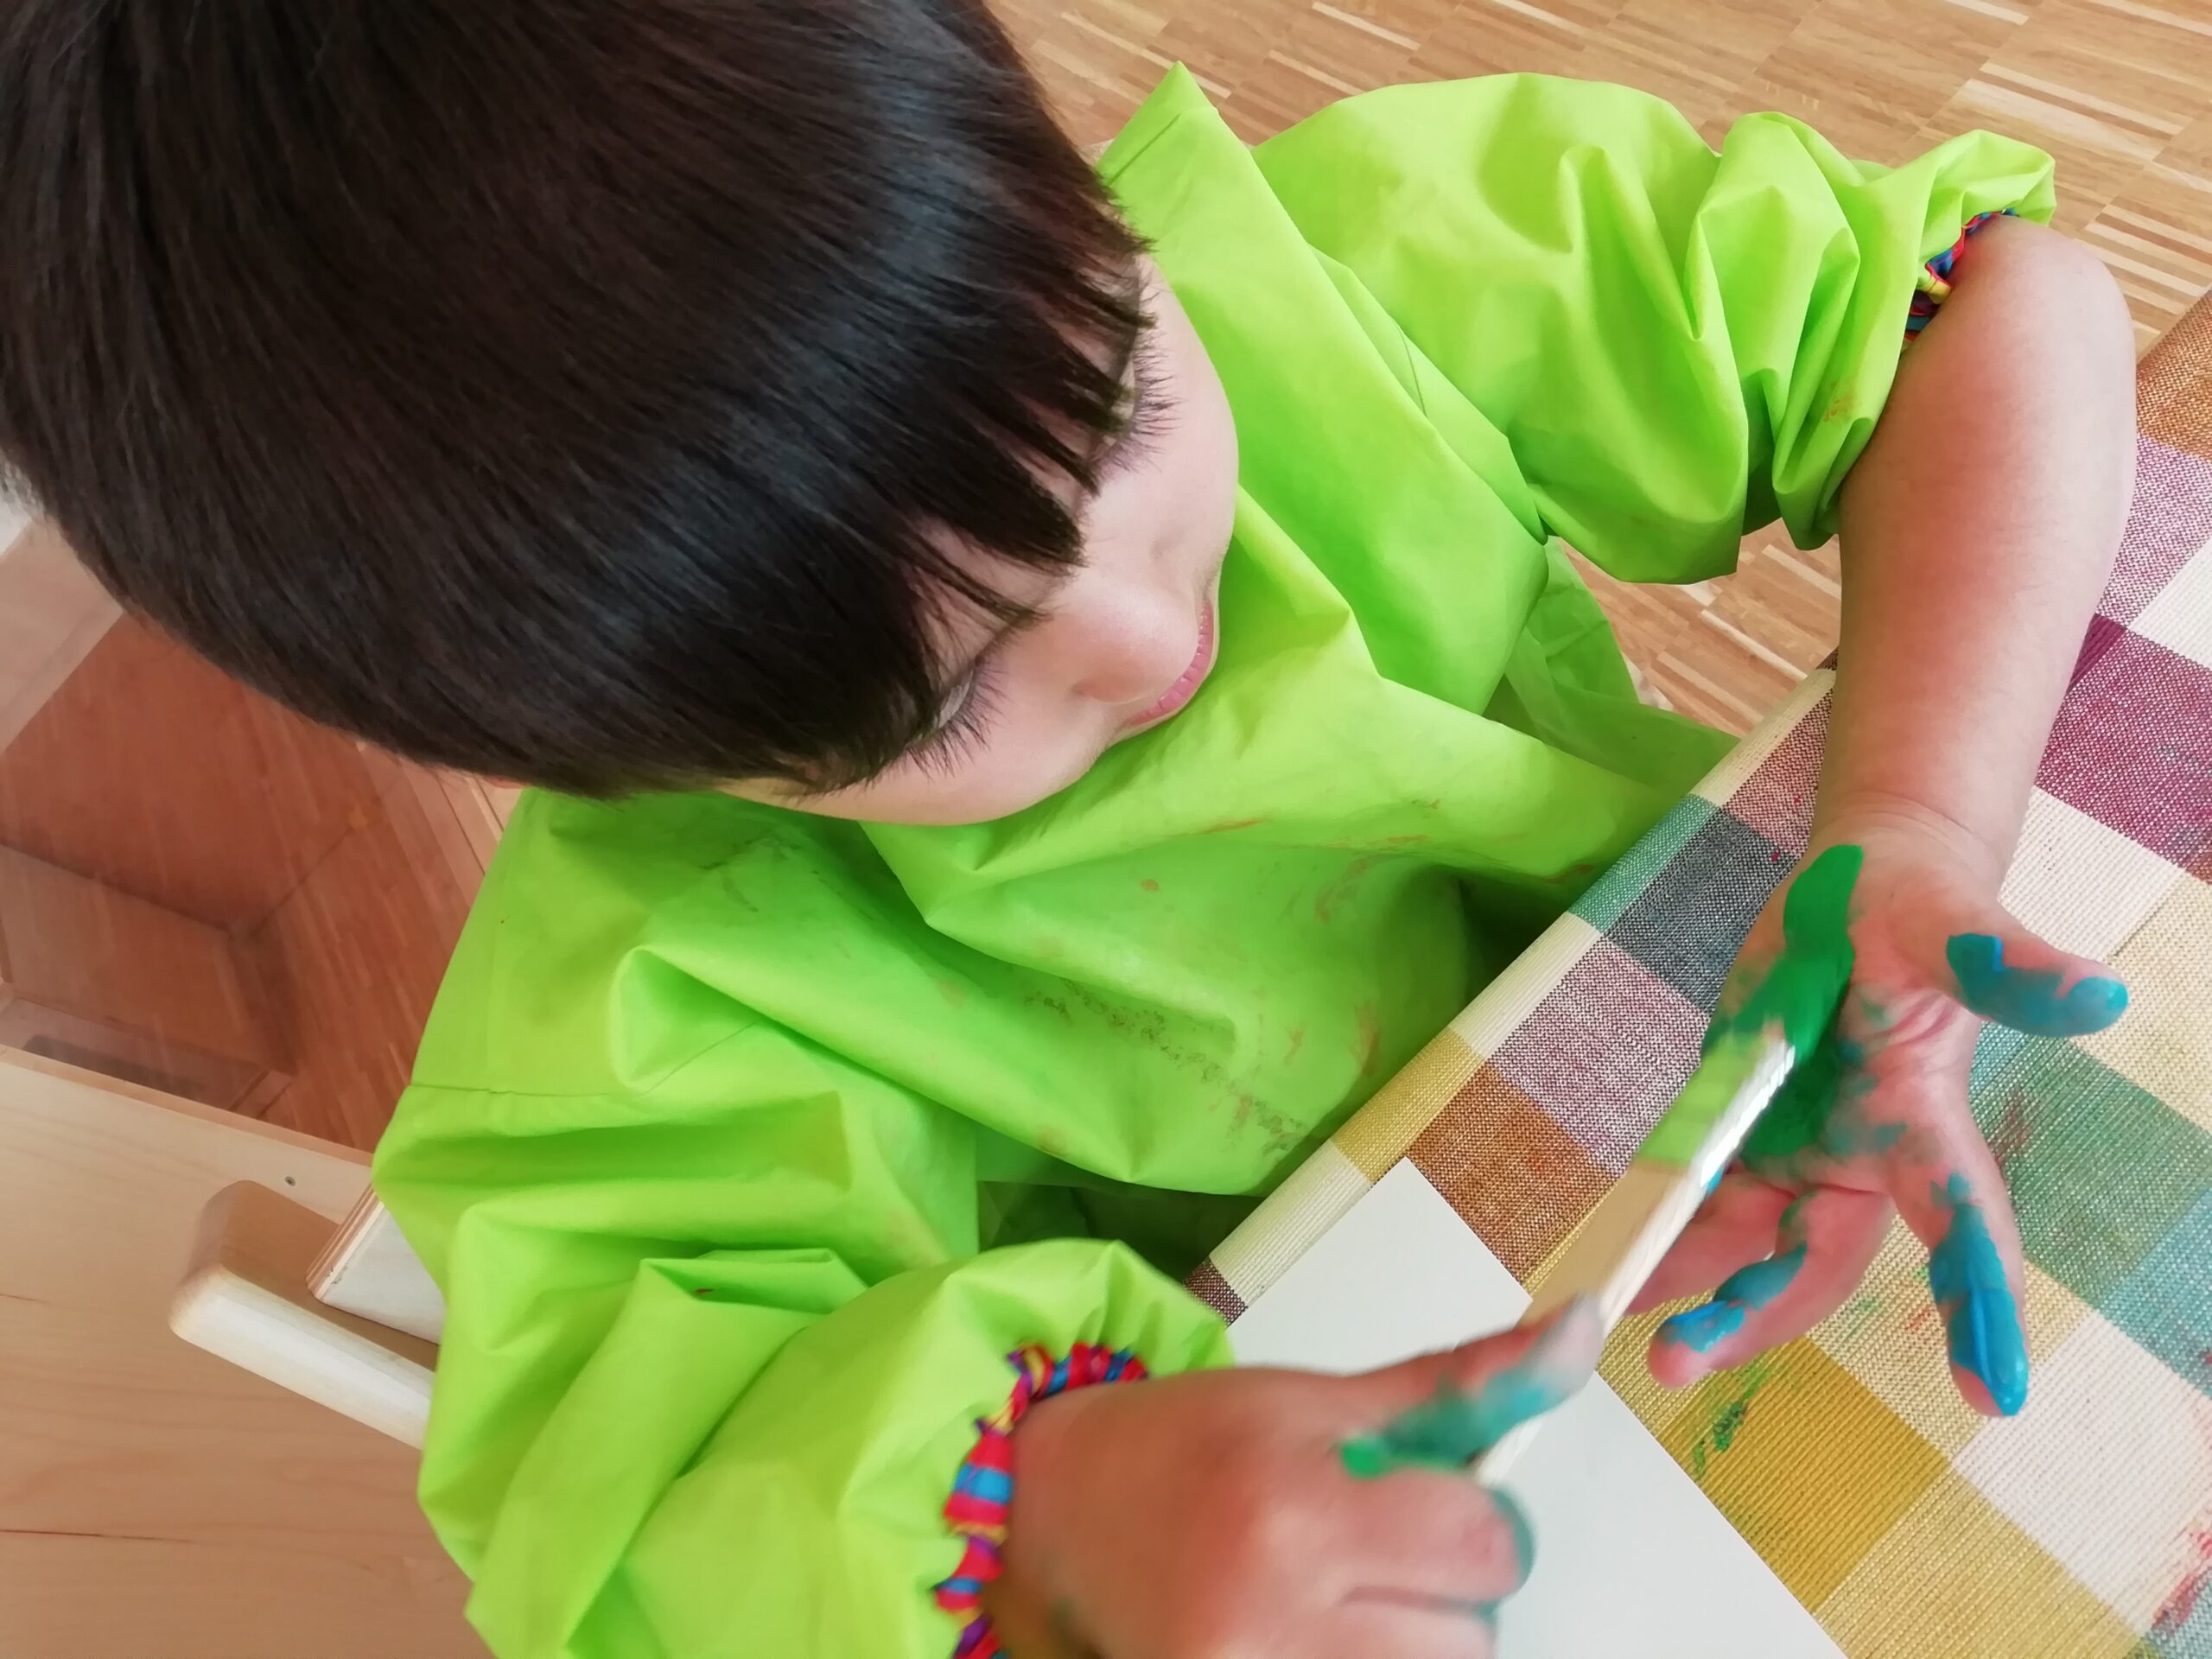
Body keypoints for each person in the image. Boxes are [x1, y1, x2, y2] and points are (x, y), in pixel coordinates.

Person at [0, 2, 2136, 1655]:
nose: (1142, 629)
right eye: (939, 700)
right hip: (1392, 1476)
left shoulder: (1349, 275)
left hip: (1781, 1071)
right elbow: (631, 1489)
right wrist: (1078, 1505)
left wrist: (1913, 816)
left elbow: (1983, 313)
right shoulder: (657, 1005)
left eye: (1115, 396)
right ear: (623, 775)